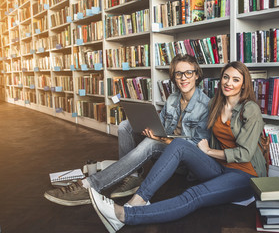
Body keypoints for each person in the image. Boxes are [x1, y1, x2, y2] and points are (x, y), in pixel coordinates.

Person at [88, 61, 267, 233]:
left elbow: (244, 154)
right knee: (179, 144)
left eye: (236, 79)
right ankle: (139, 199)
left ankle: (124, 215)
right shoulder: (215, 104)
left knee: (194, 194)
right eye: (226, 77)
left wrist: (209, 151)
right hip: (219, 167)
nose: (229, 83)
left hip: (245, 174)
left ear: (244, 85)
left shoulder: (250, 109)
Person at [44, 54, 210, 206]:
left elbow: (198, 146)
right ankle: (132, 177)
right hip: (166, 148)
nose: (183, 78)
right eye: (178, 74)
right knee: (125, 126)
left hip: (186, 162)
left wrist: (163, 140)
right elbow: (161, 127)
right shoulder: (173, 98)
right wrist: (151, 128)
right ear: (173, 77)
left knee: (151, 144)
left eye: (188, 72)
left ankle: (90, 185)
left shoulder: (206, 105)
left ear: (197, 74)